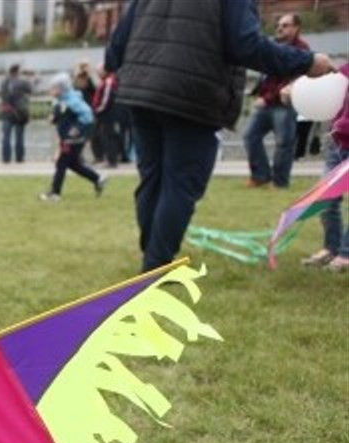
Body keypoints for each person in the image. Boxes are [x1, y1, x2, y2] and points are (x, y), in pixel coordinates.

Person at [106, 0, 332, 272]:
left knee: (152, 180)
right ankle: (155, 267)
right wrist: (307, 62)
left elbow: (117, 43)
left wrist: (132, 74)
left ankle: (153, 257)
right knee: (180, 184)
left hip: (141, 92)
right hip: (192, 95)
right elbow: (245, 45)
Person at [243, 13, 310, 189]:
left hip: (284, 106)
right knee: (250, 136)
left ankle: (280, 183)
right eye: (279, 25)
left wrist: (267, 98)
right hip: (265, 103)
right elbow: (266, 76)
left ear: (296, 28)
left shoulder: (302, 49)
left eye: (286, 25)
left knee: (284, 144)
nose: (280, 28)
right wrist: (258, 93)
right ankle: (261, 176)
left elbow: (290, 79)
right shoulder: (273, 46)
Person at [301, 61, 349, 273]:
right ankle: (332, 247)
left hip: (341, 137)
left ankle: (346, 254)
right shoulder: (345, 70)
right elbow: (326, 86)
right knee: (326, 200)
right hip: (337, 144)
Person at [39, 73, 107, 202]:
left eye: (53, 88)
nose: (50, 90)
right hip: (69, 136)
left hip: (72, 137)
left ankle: (55, 193)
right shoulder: (64, 100)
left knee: (61, 163)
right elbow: (60, 116)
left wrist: (77, 129)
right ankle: (98, 178)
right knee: (73, 163)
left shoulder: (71, 100)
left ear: (61, 88)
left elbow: (87, 116)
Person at [0, 64, 32, 163]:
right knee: (19, 136)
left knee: (6, 137)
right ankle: (19, 158)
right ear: (18, 71)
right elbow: (30, 90)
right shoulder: (23, 82)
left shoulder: (4, 82)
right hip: (19, 112)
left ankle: (6, 158)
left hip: (6, 111)